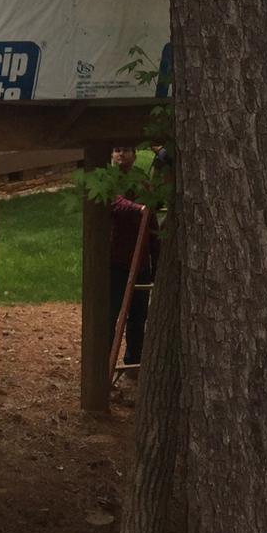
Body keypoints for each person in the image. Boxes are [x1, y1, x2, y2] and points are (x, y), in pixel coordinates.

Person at [108, 145, 157, 370]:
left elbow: (152, 222)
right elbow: (115, 203)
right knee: (110, 316)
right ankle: (104, 364)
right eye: (117, 150)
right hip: (116, 260)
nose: (121, 154)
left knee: (138, 316)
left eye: (126, 150)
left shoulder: (141, 180)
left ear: (135, 155)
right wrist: (138, 208)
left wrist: (156, 259)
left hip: (140, 261)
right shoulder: (106, 180)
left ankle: (134, 362)